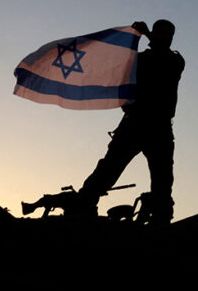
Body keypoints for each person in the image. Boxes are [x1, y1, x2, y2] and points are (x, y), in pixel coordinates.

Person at [77, 19, 185, 223]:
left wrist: (145, 33)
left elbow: (163, 57)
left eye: (169, 35)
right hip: (134, 124)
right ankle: (83, 204)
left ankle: (161, 217)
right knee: (108, 170)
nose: (166, 38)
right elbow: (122, 82)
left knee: (162, 178)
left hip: (159, 127)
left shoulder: (175, 61)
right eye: (162, 33)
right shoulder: (137, 60)